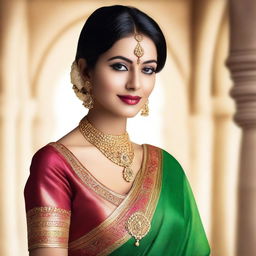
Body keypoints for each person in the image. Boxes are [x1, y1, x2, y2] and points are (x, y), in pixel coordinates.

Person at [24, 5, 210, 256]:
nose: (135, 83)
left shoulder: (168, 167)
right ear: (85, 70)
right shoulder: (54, 165)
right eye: (120, 66)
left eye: (147, 69)